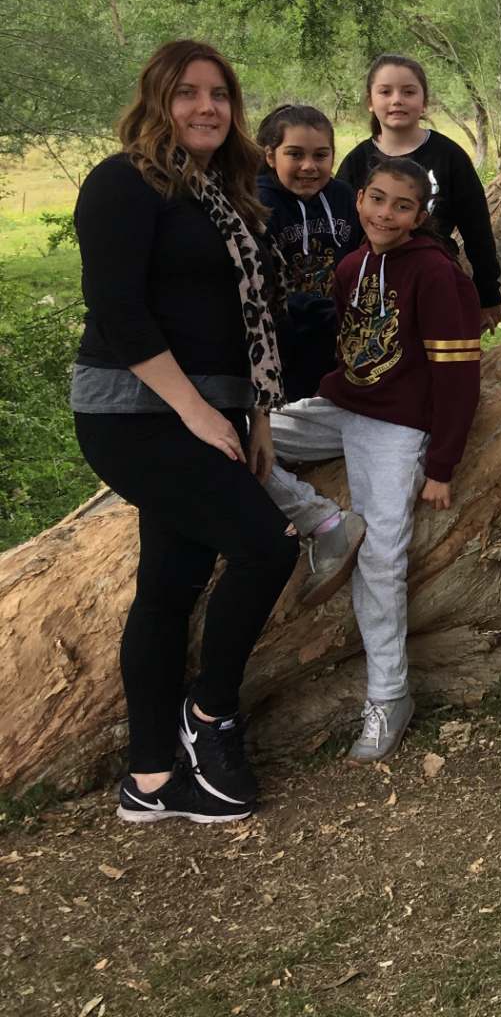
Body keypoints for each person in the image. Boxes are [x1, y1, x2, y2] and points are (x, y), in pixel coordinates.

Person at [71, 40, 297, 824]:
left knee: (167, 585)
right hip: (133, 414)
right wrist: (197, 413)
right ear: (157, 100)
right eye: (189, 93)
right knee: (268, 545)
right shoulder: (123, 183)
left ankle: (150, 779)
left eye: (220, 94)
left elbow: (250, 319)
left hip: (216, 410)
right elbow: (119, 312)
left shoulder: (223, 194)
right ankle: (208, 718)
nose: (208, 107)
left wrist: (254, 415)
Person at [262, 157, 484, 763]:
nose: (386, 213)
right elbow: (351, 352)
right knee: (237, 438)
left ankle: (389, 695)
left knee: (382, 559)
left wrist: (442, 464)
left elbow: (458, 376)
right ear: (359, 199)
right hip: (341, 405)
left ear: (420, 214)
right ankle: (320, 519)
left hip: (398, 426)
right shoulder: (353, 265)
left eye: (402, 205)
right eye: (377, 199)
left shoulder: (437, 275)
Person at [338, 54, 501, 332]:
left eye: (408, 91)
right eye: (385, 91)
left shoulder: (449, 156)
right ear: (370, 101)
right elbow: (342, 233)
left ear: (424, 102)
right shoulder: (357, 161)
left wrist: (488, 291)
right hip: (370, 287)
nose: (396, 99)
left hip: (435, 282)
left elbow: (476, 227)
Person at [256, 104, 363, 403]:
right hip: (283, 340)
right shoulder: (257, 203)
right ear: (270, 156)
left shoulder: (343, 197)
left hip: (336, 333)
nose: (309, 166)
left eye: (320, 155)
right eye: (294, 154)